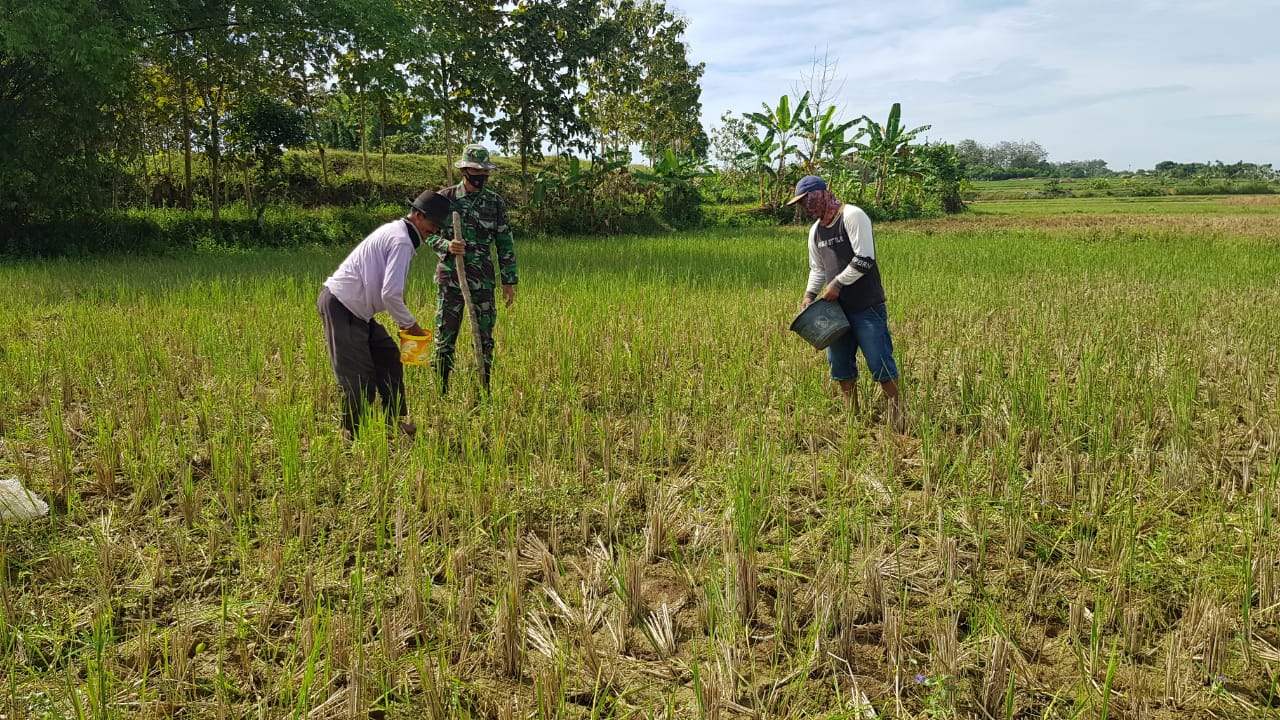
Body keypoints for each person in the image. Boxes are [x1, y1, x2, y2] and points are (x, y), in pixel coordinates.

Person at [318, 190, 450, 437]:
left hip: (359, 313)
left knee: (389, 357)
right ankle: (351, 435)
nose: (432, 232)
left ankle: (394, 421)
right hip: (341, 305)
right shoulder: (401, 240)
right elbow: (391, 294)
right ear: (419, 216)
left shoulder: (398, 232)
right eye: (432, 226)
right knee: (358, 375)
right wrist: (411, 327)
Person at [787, 175, 905, 431]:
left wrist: (837, 285)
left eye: (807, 200)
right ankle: (853, 416)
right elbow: (817, 268)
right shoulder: (816, 231)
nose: (805, 207)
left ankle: (898, 412)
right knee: (839, 364)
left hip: (866, 306)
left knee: (879, 361)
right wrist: (809, 295)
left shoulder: (852, 216)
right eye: (802, 203)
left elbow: (865, 259)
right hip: (835, 312)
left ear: (820, 194)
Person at [429, 144, 518, 395]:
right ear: (464, 170)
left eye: (485, 172)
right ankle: (441, 391)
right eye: (476, 171)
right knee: (445, 338)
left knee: (484, 338)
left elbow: (504, 243)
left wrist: (509, 281)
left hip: (483, 282)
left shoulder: (495, 203)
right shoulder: (444, 199)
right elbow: (426, 233)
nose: (481, 177)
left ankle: (483, 389)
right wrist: (447, 245)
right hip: (451, 280)